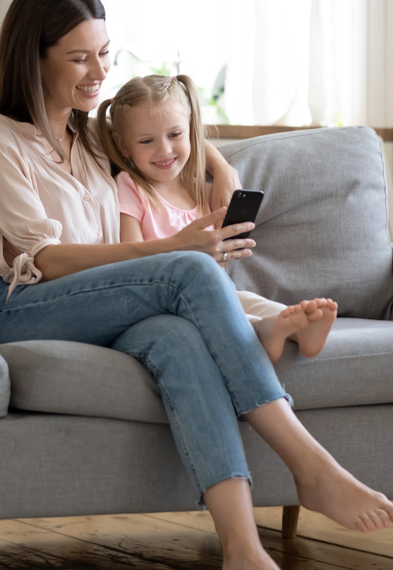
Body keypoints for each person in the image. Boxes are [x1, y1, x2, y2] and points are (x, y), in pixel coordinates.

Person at [0, 0, 393, 569]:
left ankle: (241, 547)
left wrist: (213, 165)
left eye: (105, 52)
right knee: (186, 270)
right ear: (32, 60)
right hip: (8, 307)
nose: (98, 70)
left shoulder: (91, 141)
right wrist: (168, 250)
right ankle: (311, 467)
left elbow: (174, 138)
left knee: (179, 338)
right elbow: (44, 260)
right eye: (79, 57)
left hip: (89, 306)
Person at [98, 73, 339, 364]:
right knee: (228, 308)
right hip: (165, 301)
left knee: (250, 300)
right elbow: (131, 262)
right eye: (147, 141)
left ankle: (294, 327)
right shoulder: (131, 188)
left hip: (216, 290)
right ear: (123, 146)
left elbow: (218, 257)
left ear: (189, 131)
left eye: (175, 135)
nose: (165, 150)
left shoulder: (204, 190)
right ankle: (262, 330)